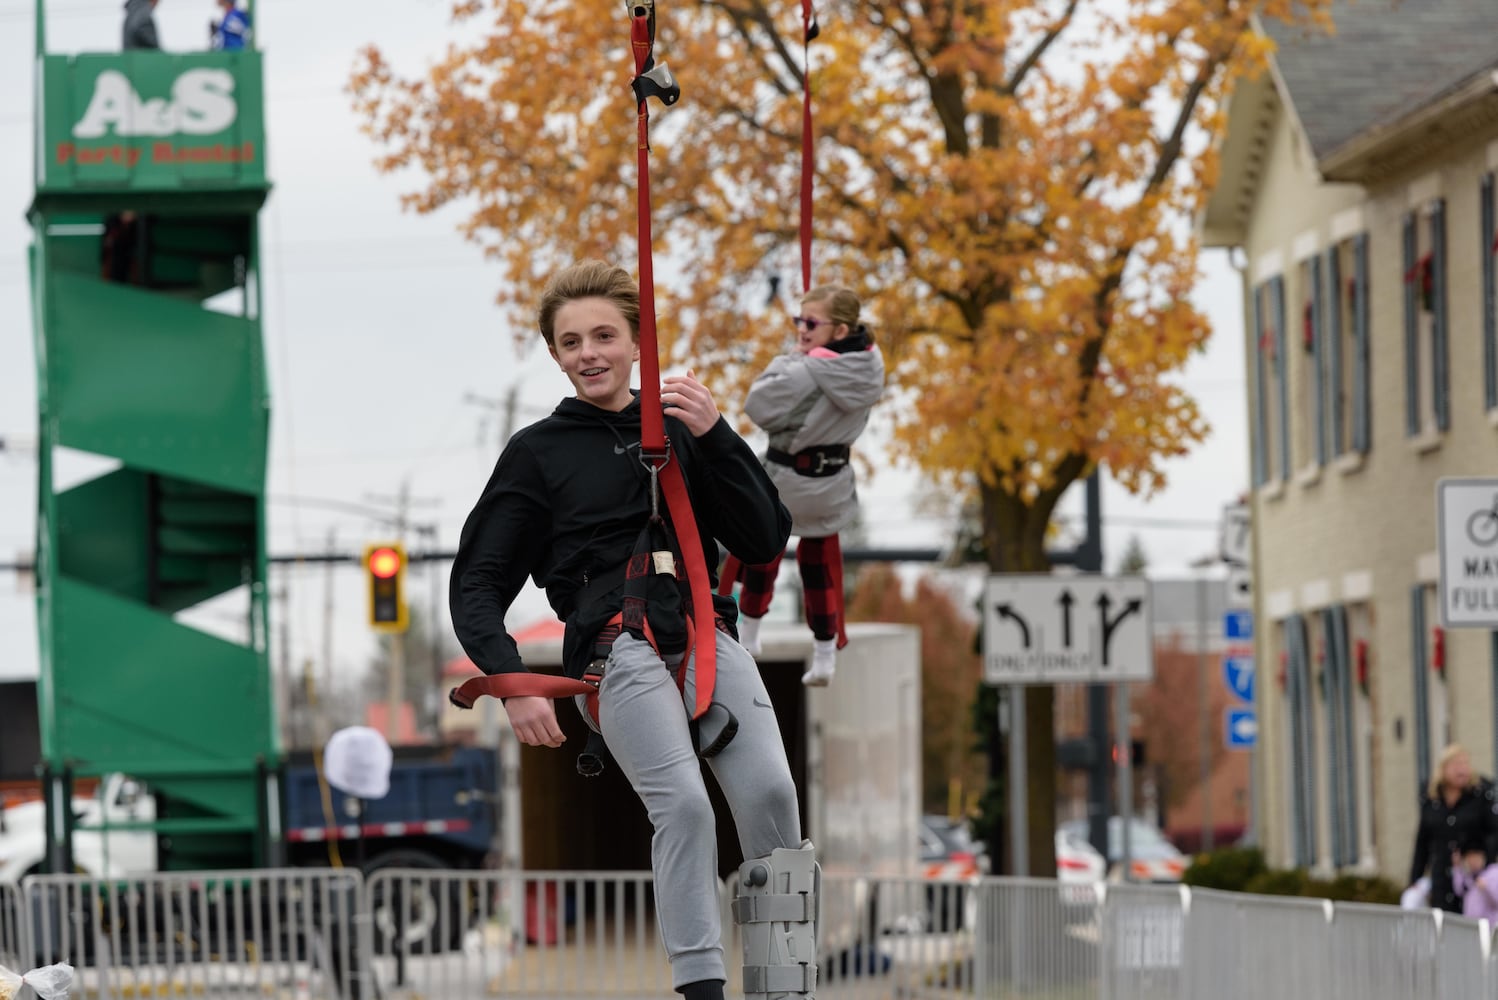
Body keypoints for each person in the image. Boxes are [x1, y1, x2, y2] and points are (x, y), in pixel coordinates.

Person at [450, 261, 815, 1000]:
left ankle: (783, 981)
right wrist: (512, 681)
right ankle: (702, 986)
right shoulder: (538, 454)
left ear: (635, 342)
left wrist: (717, 438)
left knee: (773, 793)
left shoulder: (682, 427)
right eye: (571, 341)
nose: (589, 353)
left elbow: (764, 534)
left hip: (704, 632)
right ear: (554, 354)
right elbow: (479, 580)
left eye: (604, 336)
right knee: (680, 802)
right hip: (620, 648)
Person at [726, 285, 883, 686]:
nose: (801, 329)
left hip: (788, 478)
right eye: (800, 320)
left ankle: (752, 633)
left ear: (839, 329)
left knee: (764, 548)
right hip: (831, 481)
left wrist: (787, 361)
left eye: (810, 323)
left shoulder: (804, 369)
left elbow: (757, 405)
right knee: (821, 566)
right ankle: (826, 653)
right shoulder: (871, 366)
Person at [1408, 744, 1498, 913]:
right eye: (1456, 765)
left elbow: (1494, 832)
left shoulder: (1481, 796)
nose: (1461, 770)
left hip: (1473, 877)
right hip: (1442, 876)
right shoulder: (1432, 801)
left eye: (1465, 764)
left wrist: (1482, 857)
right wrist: (1415, 879)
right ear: (1443, 769)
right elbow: (1423, 841)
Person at [1454, 846, 1498, 922]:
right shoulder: (1468, 876)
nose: (1473, 862)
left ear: (1483, 858)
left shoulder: (1493, 872)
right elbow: (1458, 891)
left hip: (1488, 926)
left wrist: (1487, 888)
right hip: (1470, 924)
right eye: (1470, 858)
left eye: (1476, 858)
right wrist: (1457, 867)